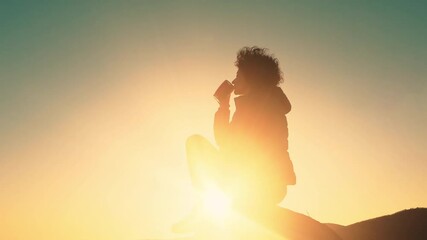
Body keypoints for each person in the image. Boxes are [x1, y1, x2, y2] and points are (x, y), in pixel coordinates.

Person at [172, 46, 296, 233]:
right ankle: (210, 210)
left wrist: (223, 105)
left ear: (252, 77)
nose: (234, 80)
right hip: (274, 185)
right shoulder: (268, 102)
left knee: (195, 143)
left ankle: (204, 213)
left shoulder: (254, 105)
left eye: (239, 75)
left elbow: (225, 142)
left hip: (257, 183)